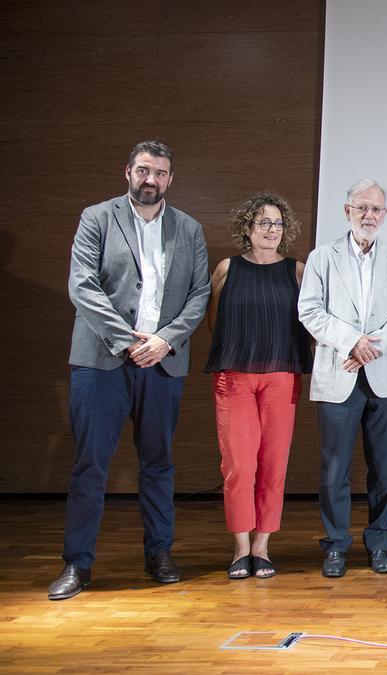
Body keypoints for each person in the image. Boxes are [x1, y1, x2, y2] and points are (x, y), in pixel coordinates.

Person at [50, 140, 210, 601]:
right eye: (143, 170)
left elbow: (199, 294)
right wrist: (127, 340)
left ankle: (159, 553)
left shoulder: (189, 229)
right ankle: (77, 565)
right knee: (90, 466)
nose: (150, 180)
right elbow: (82, 286)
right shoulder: (97, 217)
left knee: (158, 465)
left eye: (159, 173)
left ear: (170, 179)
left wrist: (164, 340)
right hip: (103, 361)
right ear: (127, 172)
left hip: (163, 362)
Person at [298, 178, 387, 578]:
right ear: (347, 210)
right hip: (338, 374)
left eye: (376, 209)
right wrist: (352, 343)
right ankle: (335, 546)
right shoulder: (321, 257)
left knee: (385, 469)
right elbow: (310, 311)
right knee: (335, 469)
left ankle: (380, 541)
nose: (369, 215)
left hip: (384, 376)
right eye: (361, 207)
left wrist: (373, 347)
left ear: (385, 215)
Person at [204, 194, 313, 579]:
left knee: (273, 465)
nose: (271, 230)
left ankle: (262, 548)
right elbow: (213, 321)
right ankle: (240, 549)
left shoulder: (298, 271)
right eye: (263, 222)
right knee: (238, 466)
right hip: (233, 377)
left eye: (278, 223)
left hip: (282, 377)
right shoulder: (226, 269)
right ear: (248, 227)